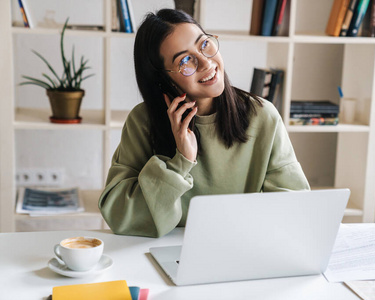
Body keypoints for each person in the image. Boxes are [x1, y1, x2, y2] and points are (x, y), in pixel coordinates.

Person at [99, 9, 310, 238]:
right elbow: (118, 216)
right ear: (163, 79)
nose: (205, 63)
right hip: (167, 251)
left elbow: (295, 207)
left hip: (241, 246)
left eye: (204, 44)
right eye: (185, 60)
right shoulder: (143, 122)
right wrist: (181, 162)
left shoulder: (263, 116)